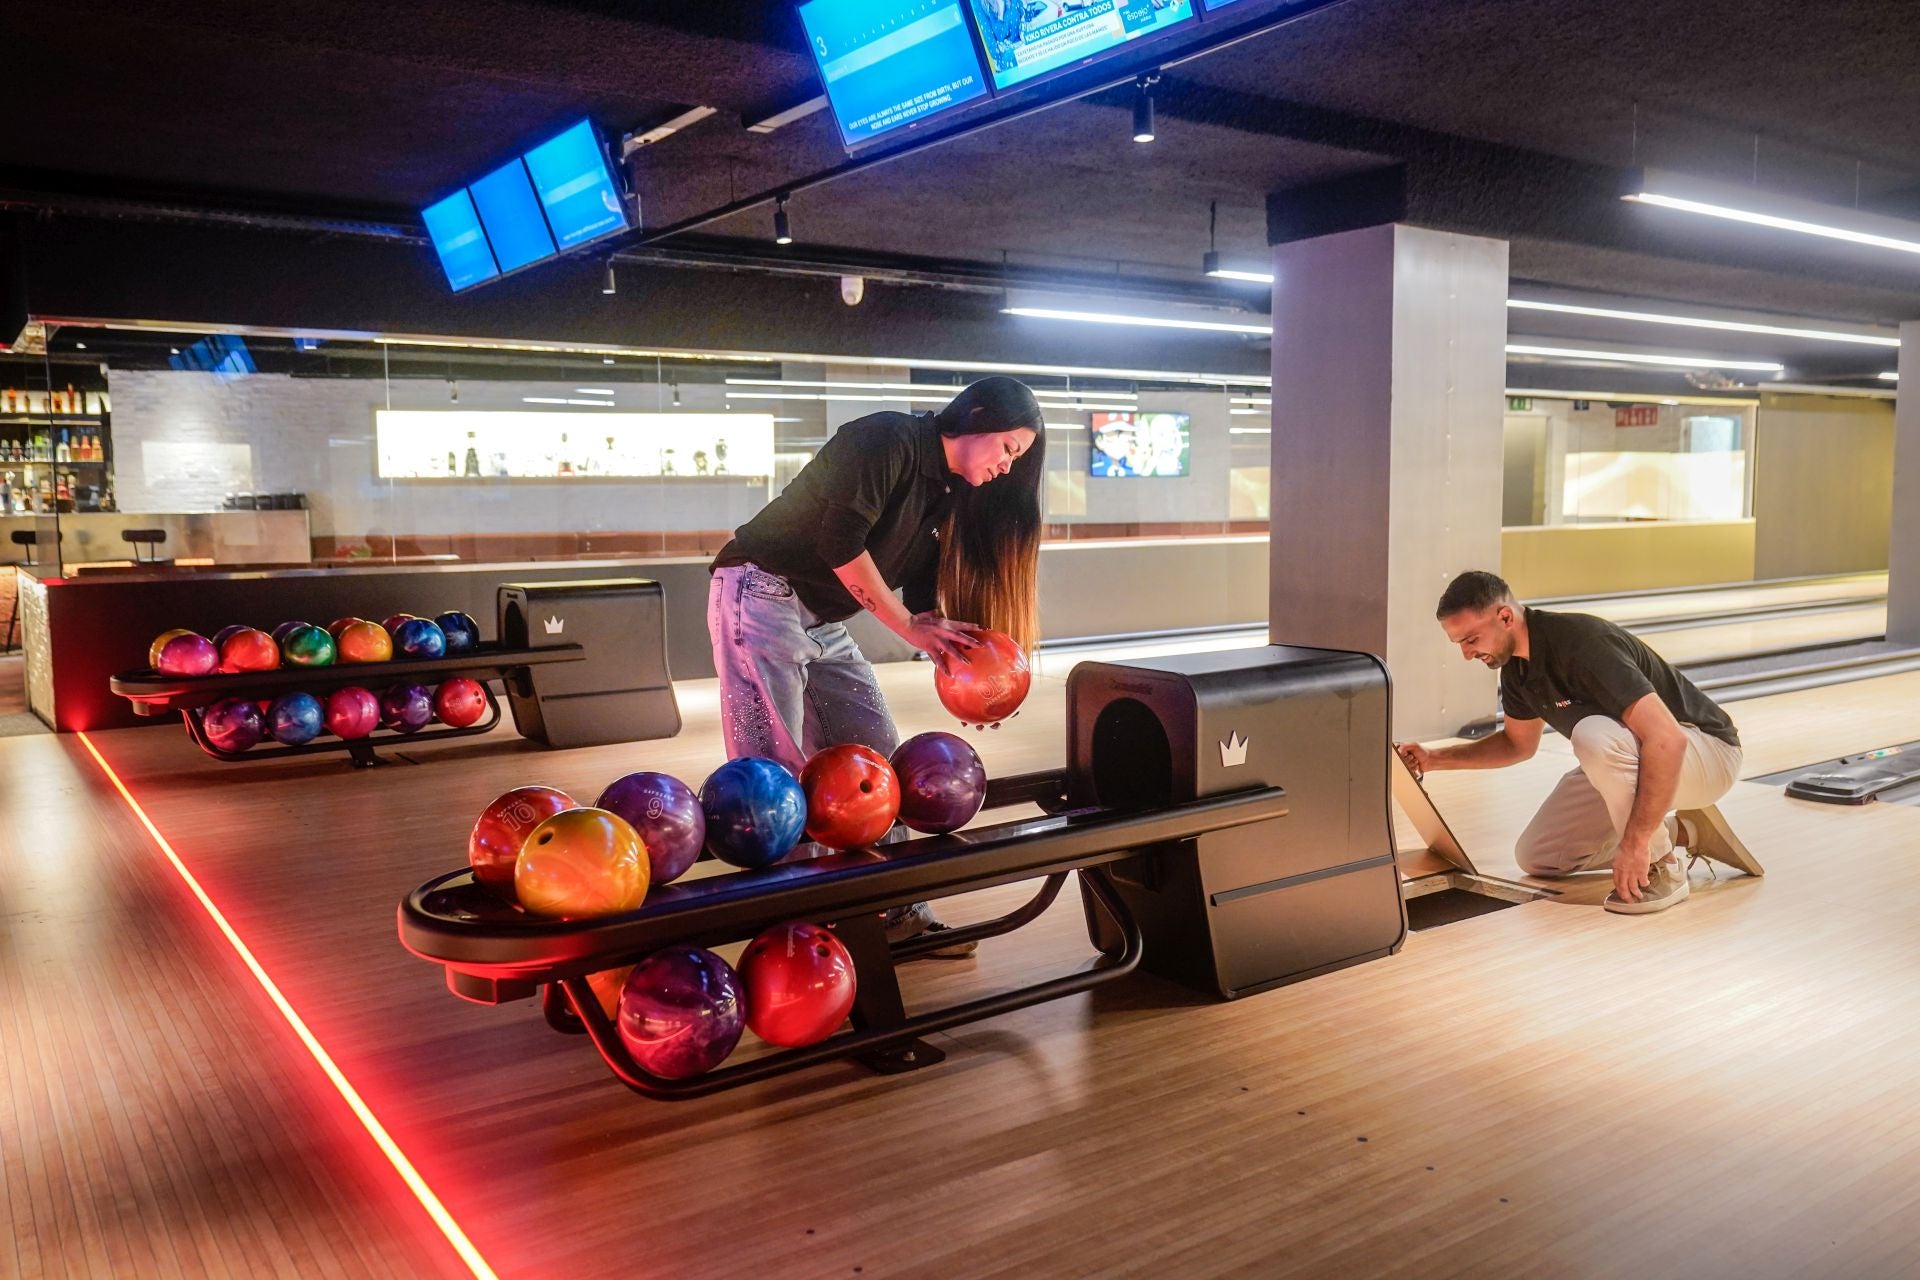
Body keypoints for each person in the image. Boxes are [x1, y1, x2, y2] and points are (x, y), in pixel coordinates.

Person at [708, 376, 1047, 952]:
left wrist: (971, 677)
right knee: (775, 774)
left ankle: (894, 913)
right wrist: (907, 625)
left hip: (821, 617)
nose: (1009, 466)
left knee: (878, 759)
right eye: (1010, 449)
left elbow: (920, 590)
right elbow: (840, 540)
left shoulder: (944, 494)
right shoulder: (887, 439)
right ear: (977, 416)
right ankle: (793, 933)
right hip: (759, 589)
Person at [1397, 570, 1755, 915]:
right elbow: (1516, 745)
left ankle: (1663, 866)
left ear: (1505, 617)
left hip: (1707, 751)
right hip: (1633, 760)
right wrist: (1433, 759)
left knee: (1592, 734)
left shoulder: (1581, 643)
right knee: (1540, 856)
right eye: (1459, 644)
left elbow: (1667, 739)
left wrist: (1636, 842)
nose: (1466, 654)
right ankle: (1686, 831)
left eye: (1471, 640)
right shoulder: (1517, 671)